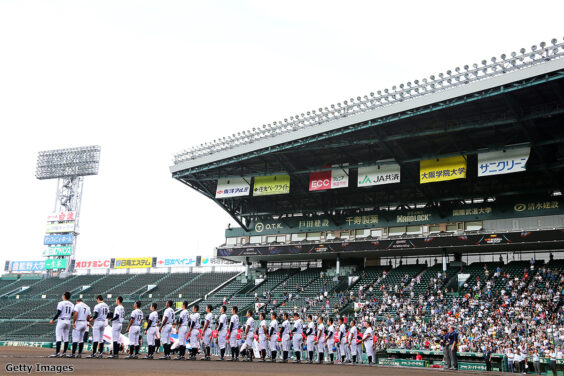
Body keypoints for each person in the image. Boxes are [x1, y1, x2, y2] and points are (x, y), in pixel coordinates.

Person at [49, 291, 74, 358]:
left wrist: (53, 319)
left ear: (64, 296)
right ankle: (64, 353)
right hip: (68, 321)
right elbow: (72, 314)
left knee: (58, 337)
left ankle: (57, 353)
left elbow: (59, 312)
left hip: (61, 321)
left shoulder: (61, 303)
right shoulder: (72, 304)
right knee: (66, 338)